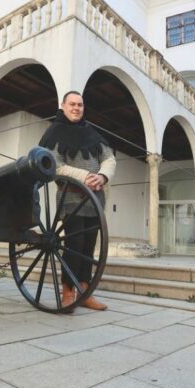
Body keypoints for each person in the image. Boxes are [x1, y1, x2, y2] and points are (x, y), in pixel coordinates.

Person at [38, 91, 116, 310]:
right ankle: (68, 294)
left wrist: (102, 176)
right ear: (63, 106)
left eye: (80, 105)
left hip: (95, 200)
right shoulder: (54, 132)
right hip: (71, 198)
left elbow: (109, 158)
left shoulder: (91, 132)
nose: (76, 108)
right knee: (74, 246)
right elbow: (56, 165)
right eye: (72, 104)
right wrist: (85, 177)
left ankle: (85, 292)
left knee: (89, 248)